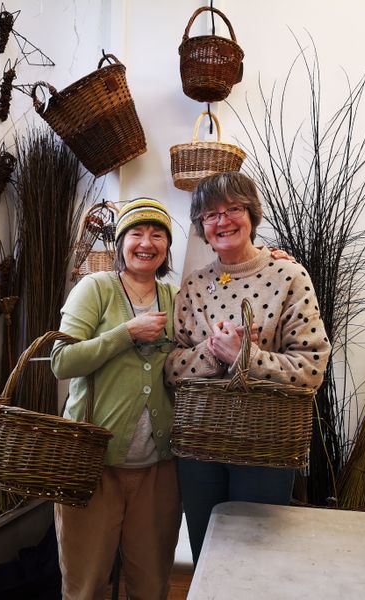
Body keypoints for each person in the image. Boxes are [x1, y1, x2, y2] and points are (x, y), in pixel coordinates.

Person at [164, 172, 332, 565]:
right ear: (202, 227)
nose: (222, 221)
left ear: (252, 215)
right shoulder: (193, 285)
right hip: (199, 444)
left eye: (233, 209)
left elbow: (311, 368)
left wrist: (248, 357)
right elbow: (171, 368)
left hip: (265, 443)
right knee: (207, 553)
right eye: (210, 215)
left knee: (258, 560)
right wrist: (213, 350)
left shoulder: (289, 275)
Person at [50, 197, 182, 600]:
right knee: (86, 584)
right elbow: (62, 361)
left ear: (167, 247)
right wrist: (126, 333)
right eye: (137, 233)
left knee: (151, 583)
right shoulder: (96, 288)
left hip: (158, 467)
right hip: (93, 464)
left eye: (157, 234)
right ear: (121, 243)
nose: (147, 242)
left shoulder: (175, 297)